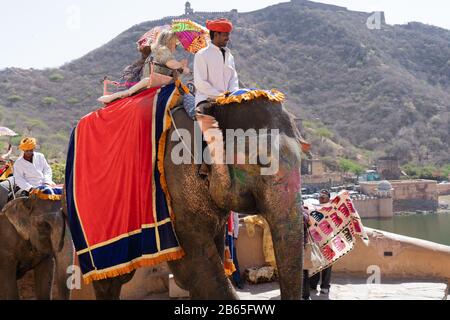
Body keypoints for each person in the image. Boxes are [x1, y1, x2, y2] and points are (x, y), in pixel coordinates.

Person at [98, 30, 189, 104]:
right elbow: (171, 64)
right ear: (168, 42)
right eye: (174, 43)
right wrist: (182, 66)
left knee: (128, 92)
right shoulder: (162, 50)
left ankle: (111, 97)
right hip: (149, 80)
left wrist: (181, 67)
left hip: (153, 81)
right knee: (128, 93)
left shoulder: (161, 51)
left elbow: (172, 70)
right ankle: (110, 97)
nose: (175, 46)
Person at [193, 18, 239, 114]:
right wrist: (220, 96)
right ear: (216, 35)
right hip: (207, 100)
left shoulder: (229, 56)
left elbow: (233, 79)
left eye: (228, 34)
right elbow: (200, 83)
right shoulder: (201, 55)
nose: (228, 38)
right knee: (205, 124)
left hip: (228, 100)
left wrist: (232, 94)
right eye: (225, 34)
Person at [309, 189, 333, 294]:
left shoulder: (332, 209)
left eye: (323, 197)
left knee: (327, 264)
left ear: (328, 198)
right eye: (320, 197)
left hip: (328, 240)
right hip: (316, 240)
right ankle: (312, 285)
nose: (321, 199)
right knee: (315, 262)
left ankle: (325, 286)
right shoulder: (315, 209)